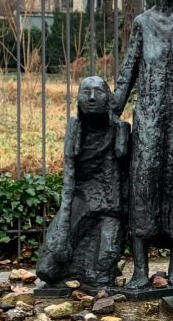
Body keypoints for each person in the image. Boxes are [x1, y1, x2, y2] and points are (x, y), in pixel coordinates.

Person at [112, 0, 173, 290]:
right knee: (144, 189)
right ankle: (140, 268)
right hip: (147, 119)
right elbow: (129, 70)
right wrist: (110, 111)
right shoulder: (143, 23)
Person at [36, 76, 129, 288]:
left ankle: (93, 269)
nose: (92, 98)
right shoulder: (75, 127)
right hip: (83, 196)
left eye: (99, 92)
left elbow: (124, 177)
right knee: (47, 269)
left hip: (109, 205)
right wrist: (63, 226)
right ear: (78, 99)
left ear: (109, 98)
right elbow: (68, 178)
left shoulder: (120, 129)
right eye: (86, 92)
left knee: (101, 275)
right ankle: (72, 272)